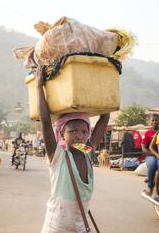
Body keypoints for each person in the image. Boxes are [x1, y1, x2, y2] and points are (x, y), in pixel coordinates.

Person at [35, 66, 110, 232]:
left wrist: (104, 82)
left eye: (84, 132)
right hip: (56, 226)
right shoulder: (58, 156)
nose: (79, 135)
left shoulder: (88, 151)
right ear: (61, 134)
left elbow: (104, 118)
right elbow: (46, 122)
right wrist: (39, 86)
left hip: (80, 226)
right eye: (73, 131)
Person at [142, 114, 159, 200]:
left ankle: (157, 186)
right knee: (152, 165)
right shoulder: (147, 133)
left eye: (156, 120)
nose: (154, 122)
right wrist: (155, 154)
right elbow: (144, 148)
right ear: (150, 122)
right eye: (152, 120)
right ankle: (150, 187)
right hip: (151, 155)